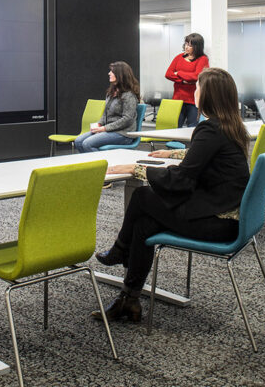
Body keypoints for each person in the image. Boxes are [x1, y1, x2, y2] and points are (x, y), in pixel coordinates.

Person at [93, 67, 250, 322]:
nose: (195, 92)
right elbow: (203, 157)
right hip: (230, 218)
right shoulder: (230, 126)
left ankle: (121, 250)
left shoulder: (210, 129)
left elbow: (181, 180)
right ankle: (129, 299)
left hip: (218, 222)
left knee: (143, 198)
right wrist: (173, 154)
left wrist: (137, 168)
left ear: (208, 95)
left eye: (198, 87)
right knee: (144, 224)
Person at [73, 61, 141, 153]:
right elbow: (105, 114)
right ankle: (92, 166)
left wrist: (104, 128)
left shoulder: (129, 95)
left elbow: (127, 119)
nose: (109, 73)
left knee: (87, 144)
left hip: (124, 134)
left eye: (112, 71)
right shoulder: (111, 93)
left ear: (120, 75)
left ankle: (103, 165)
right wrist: (99, 124)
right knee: (78, 141)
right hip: (109, 130)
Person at [165, 32, 209, 128]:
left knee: (192, 127)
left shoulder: (202, 59)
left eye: (190, 45)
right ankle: (175, 143)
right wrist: (182, 81)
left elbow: (197, 76)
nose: (186, 47)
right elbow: (168, 74)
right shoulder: (179, 57)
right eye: (186, 44)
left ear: (197, 47)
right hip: (178, 98)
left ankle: (190, 143)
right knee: (175, 126)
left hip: (193, 100)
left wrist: (179, 73)